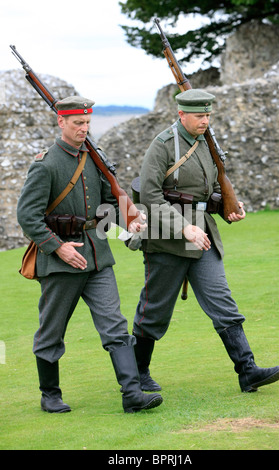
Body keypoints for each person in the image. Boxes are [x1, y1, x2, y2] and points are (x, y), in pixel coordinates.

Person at [132, 89, 279, 394]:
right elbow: (149, 196)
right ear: (181, 114)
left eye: (207, 115)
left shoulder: (206, 144)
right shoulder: (163, 145)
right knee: (155, 310)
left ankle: (248, 371)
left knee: (223, 304)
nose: (205, 121)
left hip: (203, 235)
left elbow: (206, 189)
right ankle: (137, 373)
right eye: (199, 115)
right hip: (166, 240)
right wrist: (183, 228)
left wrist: (229, 203)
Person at [17, 96, 163, 414]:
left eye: (87, 123)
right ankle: (50, 394)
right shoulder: (45, 164)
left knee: (114, 326)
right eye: (77, 123)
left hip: (98, 258)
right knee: (52, 331)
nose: (84, 129)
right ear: (61, 122)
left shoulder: (94, 158)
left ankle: (132, 394)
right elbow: (27, 216)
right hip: (59, 262)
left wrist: (131, 219)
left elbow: (109, 202)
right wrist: (58, 247)